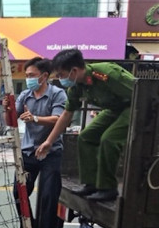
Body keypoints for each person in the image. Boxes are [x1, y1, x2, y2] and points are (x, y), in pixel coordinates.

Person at [35, 49, 135, 201]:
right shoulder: (76, 86)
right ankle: (91, 184)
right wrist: (49, 141)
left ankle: (108, 188)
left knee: (109, 139)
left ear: (74, 71)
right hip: (115, 109)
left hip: (136, 106)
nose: (60, 79)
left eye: (61, 74)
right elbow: (67, 114)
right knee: (86, 137)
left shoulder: (107, 74)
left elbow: (141, 93)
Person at [3, 57, 67, 228]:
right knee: (19, 192)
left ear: (44, 76)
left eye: (32, 75)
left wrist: (35, 118)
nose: (28, 79)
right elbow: (11, 121)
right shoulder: (25, 94)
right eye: (27, 75)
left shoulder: (58, 94)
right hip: (28, 152)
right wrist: (7, 108)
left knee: (49, 195)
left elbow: (58, 119)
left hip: (51, 152)